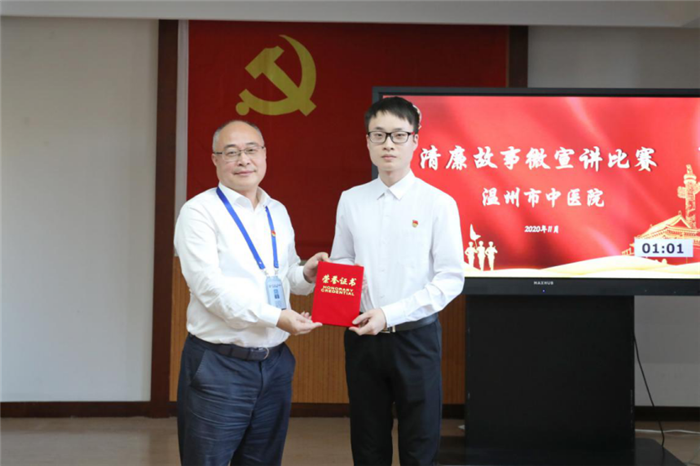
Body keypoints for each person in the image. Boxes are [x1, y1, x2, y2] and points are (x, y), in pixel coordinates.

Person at [174, 120, 326, 466]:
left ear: (265, 155)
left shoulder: (277, 210)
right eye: (231, 152)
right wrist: (277, 317)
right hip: (219, 366)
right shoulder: (198, 212)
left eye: (251, 150)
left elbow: (285, 275)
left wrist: (306, 273)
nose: (243, 160)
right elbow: (210, 290)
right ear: (215, 160)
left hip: (275, 365)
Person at [330, 97, 465, 465]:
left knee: (419, 445)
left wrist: (389, 314)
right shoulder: (351, 200)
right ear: (367, 141)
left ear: (415, 140)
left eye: (398, 135)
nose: (388, 144)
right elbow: (342, 259)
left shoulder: (438, 203)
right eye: (379, 134)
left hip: (415, 339)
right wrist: (340, 286)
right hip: (362, 338)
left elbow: (450, 279)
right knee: (367, 443)